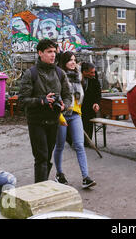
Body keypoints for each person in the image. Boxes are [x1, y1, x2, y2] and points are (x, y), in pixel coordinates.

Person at [19, 39, 72, 183]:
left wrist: (63, 106)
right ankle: (40, 189)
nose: (53, 55)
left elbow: (68, 96)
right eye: (49, 52)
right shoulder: (31, 73)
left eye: (54, 52)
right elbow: (22, 100)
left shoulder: (60, 73)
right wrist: (41, 100)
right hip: (36, 121)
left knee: (47, 157)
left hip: (53, 121)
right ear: (40, 53)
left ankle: (43, 186)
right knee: (41, 157)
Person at [53, 52, 96, 188]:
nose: (73, 62)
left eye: (74, 60)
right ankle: (59, 174)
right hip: (62, 115)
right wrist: (59, 116)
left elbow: (79, 98)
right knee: (59, 145)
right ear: (63, 61)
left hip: (76, 114)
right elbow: (56, 98)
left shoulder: (78, 77)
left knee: (79, 145)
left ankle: (85, 177)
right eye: (70, 60)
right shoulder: (58, 76)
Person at [80, 62, 101, 142]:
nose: (93, 74)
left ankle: (87, 141)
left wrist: (96, 103)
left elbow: (98, 94)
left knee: (88, 126)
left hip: (90, 108)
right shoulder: (77, 79)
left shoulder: (95, 79)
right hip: (79, 107)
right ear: (84, 72)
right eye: (91, 72)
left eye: (94, 72)